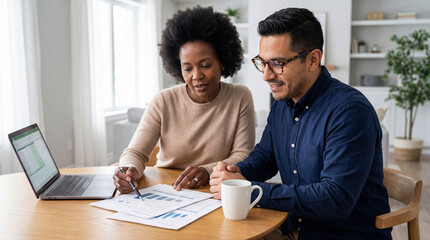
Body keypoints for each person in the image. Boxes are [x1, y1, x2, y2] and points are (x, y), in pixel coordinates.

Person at [209, 8, 392, 240]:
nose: (266, 75)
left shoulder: (350, 112)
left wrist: (252, 191)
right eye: (262, 62)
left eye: (277, 63)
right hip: (292, 227)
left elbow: (335, 199)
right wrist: (234, 173)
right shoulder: (281, 103)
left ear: (313, 59)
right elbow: (266, 158)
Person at [112, 6, 255, 194]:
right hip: (166, 191)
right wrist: (129, 170)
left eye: (205, 65)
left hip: (214, 190)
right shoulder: (163, 100)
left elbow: (243, 155)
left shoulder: (240, 96)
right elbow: (136, 152)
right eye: (187, 68)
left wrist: (207, 170)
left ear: (222, 61)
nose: (197, 75)